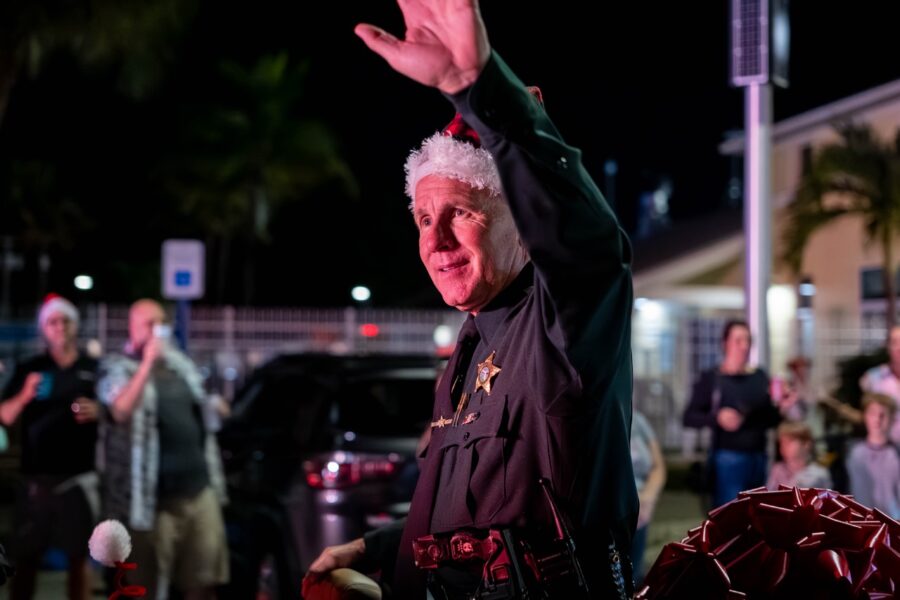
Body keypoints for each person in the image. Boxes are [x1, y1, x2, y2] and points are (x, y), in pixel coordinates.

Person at [304, 1, 638, 598]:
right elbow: (484, 521)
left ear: (521, 222)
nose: (434, 240)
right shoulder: (470, 344)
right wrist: (374, 549)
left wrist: (479, 90)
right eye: (424, 218)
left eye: (460, 212)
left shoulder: (565, 324)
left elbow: (587, 246)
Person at [96, 299, 228, 600]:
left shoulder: (181, 366)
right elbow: (120, 411)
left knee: (203, 581)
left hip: (198, 492)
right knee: (147, 586)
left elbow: (203, 409)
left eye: (161, 323)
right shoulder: (118, 367)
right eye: (149, 324)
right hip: (150, 503)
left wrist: (216, 407)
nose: (157, 331)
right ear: (132, 327)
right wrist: (146, 365)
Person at [0, 295, 100, 600]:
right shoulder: (31, 367)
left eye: (65, 320)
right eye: (52, 322)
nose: (59, 327)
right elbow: (5, 415)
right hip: (36, 481)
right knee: (26, 558)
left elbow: (113, 411)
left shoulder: (91, 367)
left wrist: (98, 410)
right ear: (44, 328)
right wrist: (25, 395)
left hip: (79, 478)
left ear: (75, 326)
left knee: (78, 560)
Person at [683, 320, 796, 508]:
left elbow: (769, 419)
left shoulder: (759, 376)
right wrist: (717, 417)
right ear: (725, 343)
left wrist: (782, 407)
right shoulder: (713, 378)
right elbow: (689, 417)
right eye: (738, 340)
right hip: (727, 457)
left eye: (748, 340)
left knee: (757, 516)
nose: (744, 346)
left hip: (759, 456)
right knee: (730, 517)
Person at [845, 393, 900, 518]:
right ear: (865, 417)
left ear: (893, 419)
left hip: (894, 524)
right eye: (873, 413)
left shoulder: (896, 454)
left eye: (883, 414)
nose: (878, 419)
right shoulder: (852, 453)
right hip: (860, 522)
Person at [629, 411, 666, 584]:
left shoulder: (638, 420)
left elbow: (658, 467)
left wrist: (647, 499)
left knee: (635, 576)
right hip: (613, 510)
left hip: (641, 508)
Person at [766, 421, 832, 490]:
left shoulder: (818, 474)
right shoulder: (777, 470)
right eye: (782, 442)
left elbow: (826, 498)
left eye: (790, 441)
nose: (784, 445)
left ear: (806, 444)